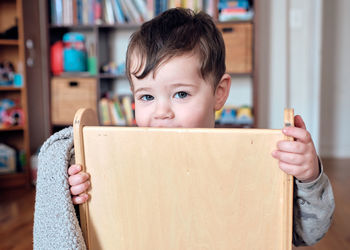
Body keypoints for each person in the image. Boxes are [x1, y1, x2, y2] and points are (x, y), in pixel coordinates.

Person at [67, 8, 335, 246]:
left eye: (181, 94)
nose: (162, 113)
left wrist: (308, 178)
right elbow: (99, 232)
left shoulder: (248, 162)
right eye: (146, 97)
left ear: (219, 92)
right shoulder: (118, 162)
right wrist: (82, 199)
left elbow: (308, 233)